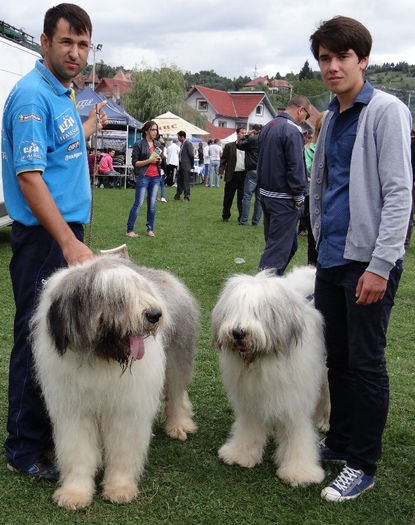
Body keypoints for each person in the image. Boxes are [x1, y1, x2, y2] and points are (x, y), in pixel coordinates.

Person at [1, 3, 107, 482]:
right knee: (36, 336)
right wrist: (67, 242)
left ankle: (49, 430)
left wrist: (88, 129)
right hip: (45, 238)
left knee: (62, 336)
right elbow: (29, 177)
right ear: (45, 42)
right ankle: (23, 448)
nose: (76, 52)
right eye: (67, 42)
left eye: (83, 44)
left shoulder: (63, 92)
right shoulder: (30, 95)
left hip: (65, 235)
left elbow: (56, 150)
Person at [309, 16, 412, 502]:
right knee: (337, 357)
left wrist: (381, 263)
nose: (332, 67)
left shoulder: (386, 111)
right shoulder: (329, 116)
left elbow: (399, 193)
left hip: (368, 259)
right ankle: (341, 439)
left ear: (363, 60)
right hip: (331, 257)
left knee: (366, 362)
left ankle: (362, 464)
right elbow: (324, 186)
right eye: (325, 58)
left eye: (341, 57)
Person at [257, 96, 311, 274]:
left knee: (288, 246)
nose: (306, 119)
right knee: (277, 251)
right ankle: (261, 292)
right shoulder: (293, 130)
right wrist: (298, 196)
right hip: (284, 198)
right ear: (300, 110)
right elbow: (295, 165)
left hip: (267, 194)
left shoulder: (268, 126)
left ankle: (272, 282)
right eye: (306, 115)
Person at [126, 121, 162, 237]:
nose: (155, 132)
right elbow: (135, 163)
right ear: (146, 130)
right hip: (143, 177)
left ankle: (150, 229)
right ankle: (130, 230)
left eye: (156, 130)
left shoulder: (158, 144)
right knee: (139, 203)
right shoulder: (139, 144)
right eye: (153, 129)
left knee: (152, 204)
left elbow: (159, 159)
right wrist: (149, 161)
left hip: (156, 177)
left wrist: (159, 160)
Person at [303, 112, 324, 265]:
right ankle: (312, 270)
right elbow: (308, 169)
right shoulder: (309, 149)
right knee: (313, 238)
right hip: (313, 195)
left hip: (332, 197)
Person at [237, 124, 263, 226]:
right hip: (263, 171)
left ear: (254, 130)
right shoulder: (266, 139)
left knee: (247, 196)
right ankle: (256, 221)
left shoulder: (252, 139)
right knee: (259, 199)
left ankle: (244, 220)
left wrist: (247, 135)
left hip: (252, 169)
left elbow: (239, 145)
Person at [219, 127, 247, 223]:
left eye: (245, 133)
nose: (244, 134)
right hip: (232, 174)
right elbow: (223, 160)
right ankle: (226, 215)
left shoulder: (248, 147)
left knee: (242, 198)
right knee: (228, 197)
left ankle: (241, 217)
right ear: (237, 134)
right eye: (242, 133)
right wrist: (221, 171)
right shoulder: (229, 146)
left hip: (243, 175)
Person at [174, 130, 194, 202]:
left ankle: (187, 197)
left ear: (182, 137)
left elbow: (191, 155)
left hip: (186, 166)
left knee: (186, 182)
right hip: (181, 165)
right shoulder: (182, 144)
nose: (178, 138)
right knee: (180, 181)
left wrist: (192, 164)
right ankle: (177, 195)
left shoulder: (188, 144)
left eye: (178, 137)